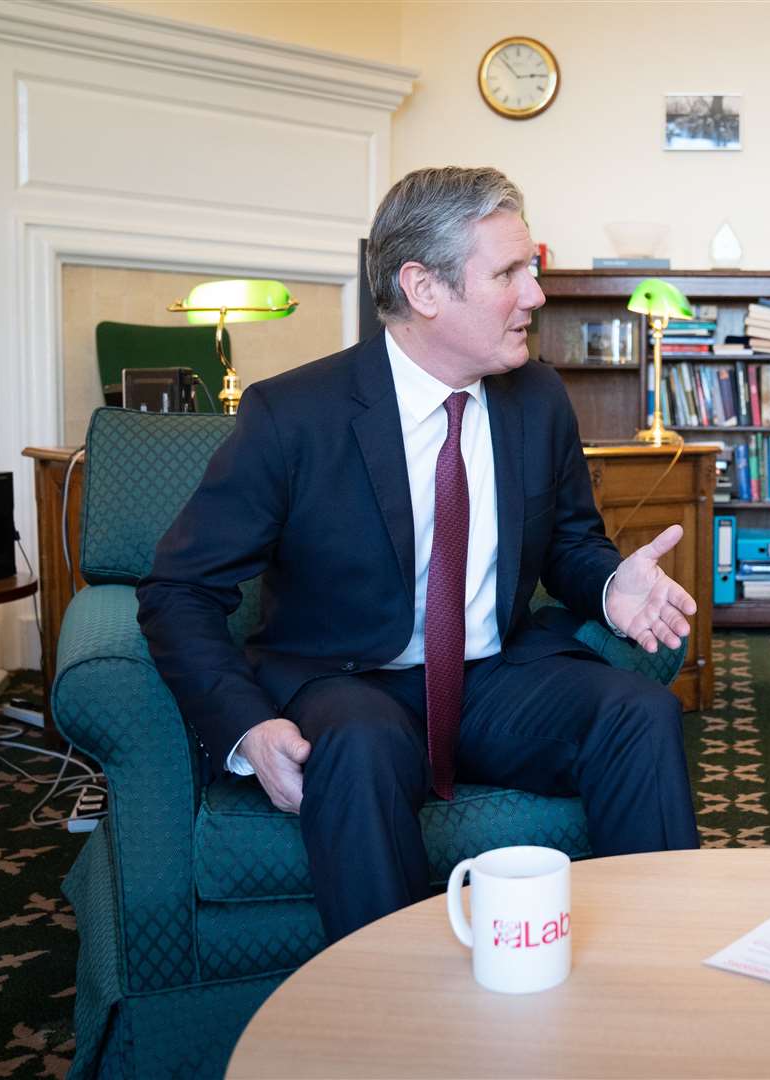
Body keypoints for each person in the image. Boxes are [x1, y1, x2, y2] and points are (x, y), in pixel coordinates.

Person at [137, 166, 701, 942]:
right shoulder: (294, 414)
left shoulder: (536, 399)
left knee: (637, 714)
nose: (535, 294)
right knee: (360, 751)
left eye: (529, 271)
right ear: (424, 289)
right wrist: (245, 729)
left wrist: (610, 587)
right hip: (350, 681)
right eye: (508, 273)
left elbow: (572, 544)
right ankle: (392, 1018)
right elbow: (179, 592)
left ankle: (661, 967)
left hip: (494, 677)